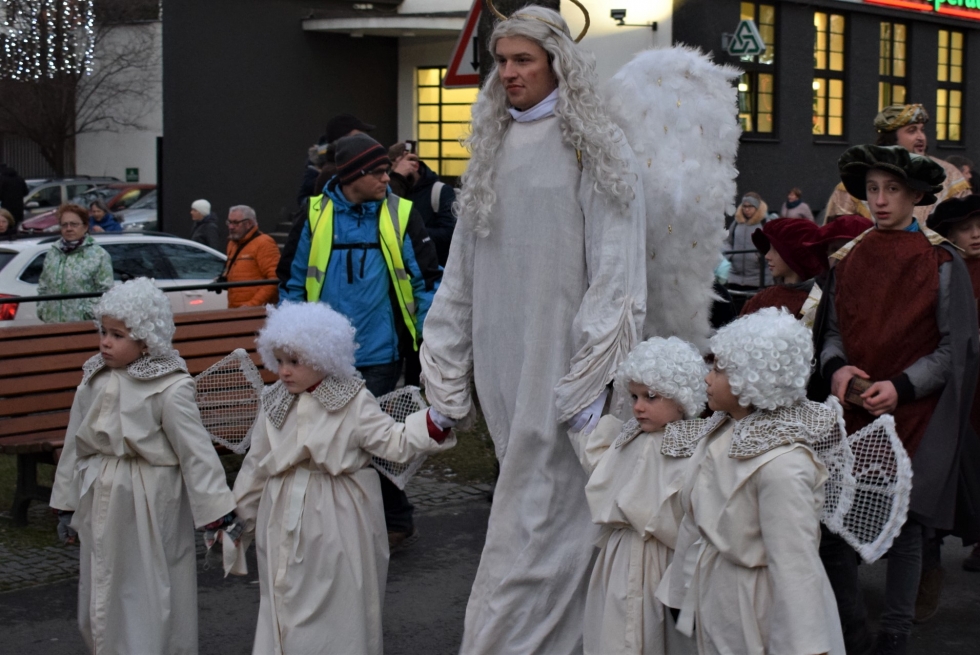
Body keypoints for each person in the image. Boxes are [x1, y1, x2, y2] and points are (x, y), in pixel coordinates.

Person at [418, 6, 647, 653]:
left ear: (556, 63)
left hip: (564, 373)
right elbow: (460, 272)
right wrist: (446, 370)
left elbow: (617, 270)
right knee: (537, 521)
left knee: (541, 528)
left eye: (524, 59)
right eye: (502, 61)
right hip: (503, 368)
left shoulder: (593, 144)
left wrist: (589, 381)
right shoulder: (492, 147)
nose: (510, 72)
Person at [812, 145, 980, 654]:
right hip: (853, 411)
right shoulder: (849, 257)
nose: (880, 200)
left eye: (891, 190)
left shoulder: (940, 260)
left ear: (915, 196)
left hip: (914, 412)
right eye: (872, 190)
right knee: (835, 524)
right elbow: (832, 333)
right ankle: (850, 629)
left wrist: (902, 386)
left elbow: (953, 349)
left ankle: (895, 634)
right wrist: (838, 370)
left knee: (905, 527)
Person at [225, 302, 455, 655]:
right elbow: (257, 465)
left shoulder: (353, 400)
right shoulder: (274, 401)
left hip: (338, 515)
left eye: (295, 361)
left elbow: (392, 441)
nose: (284, 371)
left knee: (339, 599)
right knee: (284, 595)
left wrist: (432, 424)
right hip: (281, 511)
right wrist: (237, 519)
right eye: (279, 360)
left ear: (323, 357)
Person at [49, 278, 237, 654]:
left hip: (150, 499)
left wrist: (216, 510)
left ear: (146, 339)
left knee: (149, 588)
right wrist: (66, 504)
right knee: (101, 586)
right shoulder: (93, 379)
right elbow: (75, 445)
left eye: (118, 335)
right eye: (104, 332)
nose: (105, 342)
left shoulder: (169, 386)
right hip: (100, 491)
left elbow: (195, 451)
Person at [282, 133, 442, 549]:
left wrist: (429, 341)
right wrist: (291, 345)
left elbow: (425, 280)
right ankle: (363, 519)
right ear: (354, 175)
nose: (388, 178)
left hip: (380, 351)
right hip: (322, 356)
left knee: (370, 436)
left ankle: (386, 519)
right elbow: (292, 282)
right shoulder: (314, 214)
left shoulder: (400, 212)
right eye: (379, 172)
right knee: (335, 436)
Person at [658, 307, 846, 655]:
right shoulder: (720, 434)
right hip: (718, 593)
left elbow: (795, 564)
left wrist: (803, 645)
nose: (707, 378)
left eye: (718, 369)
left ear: (751, 378)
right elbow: (694, 524)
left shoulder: (783, 465)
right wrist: (680, 593)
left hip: (758, 605)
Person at [569, 337, 703, 655]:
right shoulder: (627, 438)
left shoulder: (693, 448)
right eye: (635, 396)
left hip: (663, 560)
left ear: (681, 398)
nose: (639, 406)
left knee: (659, 634)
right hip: (619, 557)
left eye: (651, 397)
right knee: (615, 630)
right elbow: (600, 467)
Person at [925, 195, 980, 575]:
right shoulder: (943, 271)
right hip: (956, 381)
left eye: (979, 226)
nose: (976, 234)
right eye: (965, 228)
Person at [823, 104, 971, 225]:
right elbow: (837, 234)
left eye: (922, 130)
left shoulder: (948, 174)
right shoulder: (860, 176)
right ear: (891, 138)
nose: (921, 137)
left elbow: (965, 225)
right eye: (912, 131)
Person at [37, 204, 113, 323]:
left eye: (74, 224)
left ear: (85, 226)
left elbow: (106, 291)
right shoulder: (53, 253)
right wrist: (42, 309)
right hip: (52, 324)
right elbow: (43, 286)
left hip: (83, 325)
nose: (69, 228)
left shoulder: (99, 255)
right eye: (64, 225)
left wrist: (87, 312)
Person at [740, 217, 827, 321]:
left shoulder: (816, 304)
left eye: (775, 250)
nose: (767, 256)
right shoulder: (761, 299)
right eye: (768, 249)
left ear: (795, 254)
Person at [388, 141, 457, 266]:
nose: (397, 176)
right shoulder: (392, 190)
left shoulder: (440, 191)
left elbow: (449, 233)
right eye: (394, 173)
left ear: (415, 166)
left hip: (433, 268)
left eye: (401, 170)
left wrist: (413, 232)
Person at [297, 113, 376, 204]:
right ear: (342, 139)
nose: (364, 141)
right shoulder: (329, 169)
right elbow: (304, 200)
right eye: (358, 137)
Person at [221, 205, 280, 308]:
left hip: (255, 311)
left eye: (236, 223)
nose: (231, 227)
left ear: (248, 223)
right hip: (236, 309)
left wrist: (251, 305)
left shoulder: (264, 243)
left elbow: (274, 279)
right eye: (229, 222)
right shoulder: (232, 244)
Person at [726, 192, 772, 313]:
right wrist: (731, 255)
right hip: (735, 277)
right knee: (736, 312)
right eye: (744, 206)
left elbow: (772, 246)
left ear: (757, 207)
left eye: (750, 206)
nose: (746, 209)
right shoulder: (736, 223)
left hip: (758, 278)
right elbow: (727, 242)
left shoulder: (765, 223)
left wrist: (761, 257)